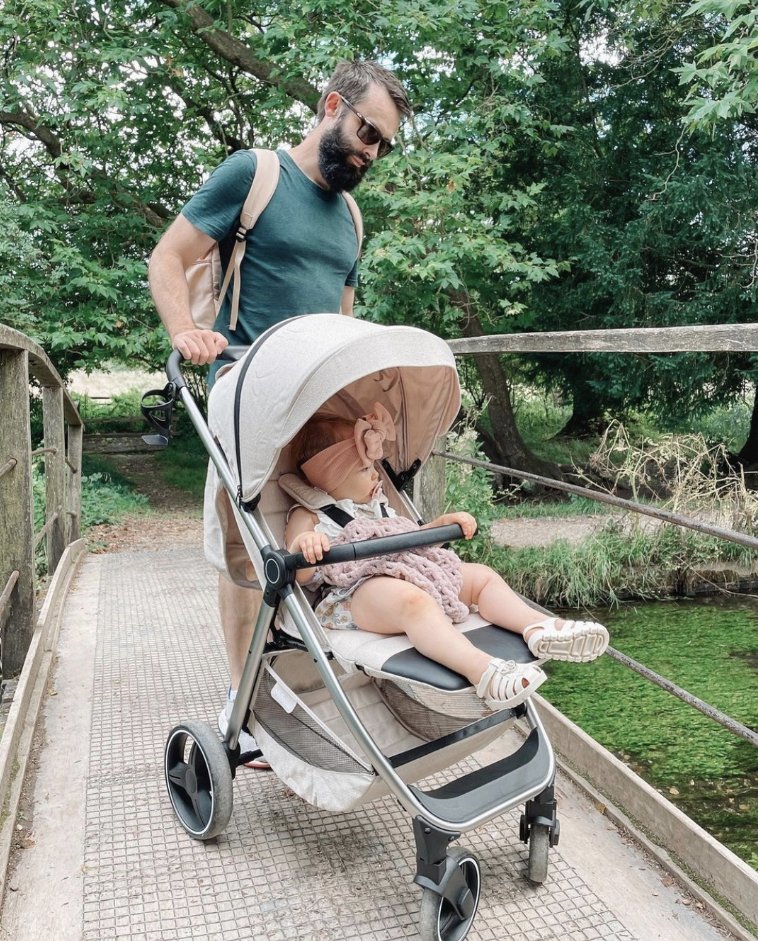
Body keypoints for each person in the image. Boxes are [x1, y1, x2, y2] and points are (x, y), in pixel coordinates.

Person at [148, 61, 412, 766]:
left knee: (320, 546)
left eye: (382, 144)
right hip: (247, 399)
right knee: (245, 559)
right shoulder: (255, 174)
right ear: (332, 105)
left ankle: (305, 679)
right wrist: (184, 332)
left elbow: (343, 329)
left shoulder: (353, 218)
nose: (371, 152)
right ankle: (241, 703)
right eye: (366, 133)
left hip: (317, 412)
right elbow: (168, 257)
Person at [284, 407, 610, 709]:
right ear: (330, 476)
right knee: (414, 601)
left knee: (480, 576)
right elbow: (295, 572)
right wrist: (305, 545)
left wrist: (440, 527)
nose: (376, 477)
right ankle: (482, 671)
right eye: (365, 468)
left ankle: (539, 628)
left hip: (409, 571)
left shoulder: (379, 506)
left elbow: (411, 540)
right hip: (355, 593)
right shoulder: (311, 514)